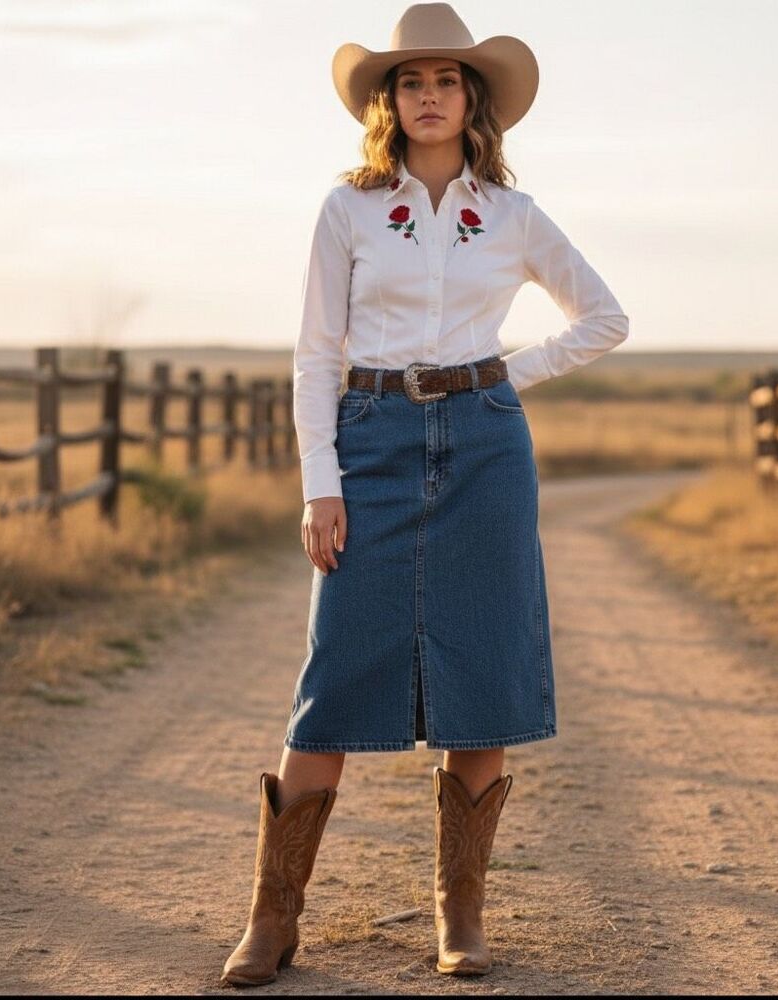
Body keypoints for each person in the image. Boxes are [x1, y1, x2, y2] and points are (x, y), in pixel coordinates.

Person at [221, 1, 629, 986]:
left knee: (480, 677)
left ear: (472, 98)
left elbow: (604, 317)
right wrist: (321, 483)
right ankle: (272, 922)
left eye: (447, 80)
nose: (430, 95)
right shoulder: (348, 208)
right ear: (388, 102)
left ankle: (462, 919)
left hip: (485, 449)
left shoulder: (515, 215)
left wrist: (498, 380)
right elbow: (316, 356)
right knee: (330, 685)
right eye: (412, 81)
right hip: (367, 441)